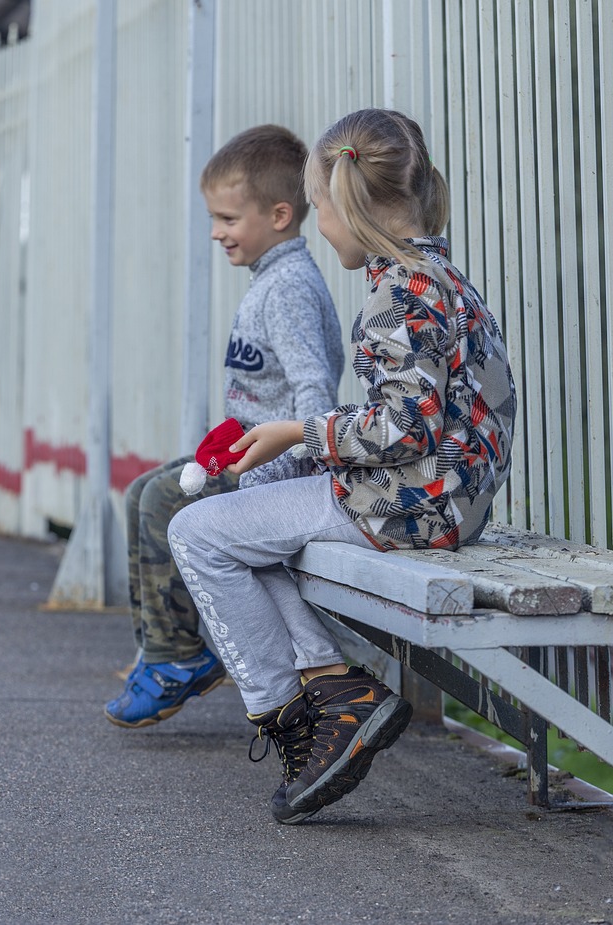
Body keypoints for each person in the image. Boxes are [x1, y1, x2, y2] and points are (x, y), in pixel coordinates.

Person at [167, 108, 516, 824]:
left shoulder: (397, 296)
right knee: (249, 534)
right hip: (452, 499)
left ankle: (293, 715)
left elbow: (402, 426)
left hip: (409, 503)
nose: (320, 228)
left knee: (198, 533)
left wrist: (300, 431)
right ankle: (331, 683)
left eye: (321, 210)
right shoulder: (443, 278)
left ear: (349, 207)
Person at [105, 125, 344, 729]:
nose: (217, 232)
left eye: (228, 218)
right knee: (144, 491)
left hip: (272, 467)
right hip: (245, 454)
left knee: (161, 498)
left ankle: (178, 657)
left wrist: (301, 459)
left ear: (280, 215)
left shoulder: (286, 287)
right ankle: (173, 646)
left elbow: (314, 385)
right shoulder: (270, 278)